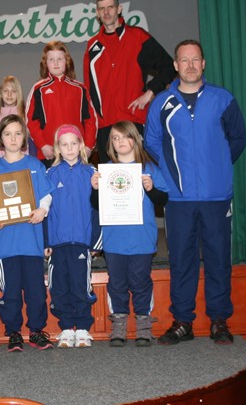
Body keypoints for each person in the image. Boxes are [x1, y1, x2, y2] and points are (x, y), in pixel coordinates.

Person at [145, 39, 246, 345]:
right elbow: (151, 141)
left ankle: (219, 320)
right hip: (179, 199)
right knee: (181, 260)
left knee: (218, 259)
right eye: (184, 60)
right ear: (175, 65)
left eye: (195, 60)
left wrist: (217, 164)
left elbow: (238, 138)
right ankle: (183, 321)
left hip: (217, 197)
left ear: (203, 64)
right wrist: (173, 171)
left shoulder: (222, 99)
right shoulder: (162, 102)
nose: (190, 65)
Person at [91, 121, 168, 347]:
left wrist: (151, 188)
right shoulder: (106, 170)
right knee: (116, 283)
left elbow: (163, 200)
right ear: (110, 144)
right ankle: (119, 325)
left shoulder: (149, 168)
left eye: (125, 137)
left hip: (141, 239)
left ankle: (144, 325)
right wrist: (95, 189)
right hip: (114, 240)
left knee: (141, 282)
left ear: (136, 139)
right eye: (115, 138)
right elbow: (96, 205)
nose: (120, 142)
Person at [0, 114, 55, 352]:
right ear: (0, 138)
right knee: (11, 292)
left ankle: (36, 330)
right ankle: (13, 332)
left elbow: (46, 195)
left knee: (36, 291)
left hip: (31, 242)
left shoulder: (34, 165)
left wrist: (42, 210)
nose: (13, 138)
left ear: (24, 137)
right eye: (8, 134)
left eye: (17, 133)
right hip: (6, 244)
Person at [84, 0, 176, 162]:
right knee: (110, 178)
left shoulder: (138, 36)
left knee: (138, 175)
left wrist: (150, 92)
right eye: (102, 8)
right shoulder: (93, 45)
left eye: (110, 7)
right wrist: (94, 124)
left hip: (132, 121)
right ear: (97, 13)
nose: (106, 12)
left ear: (119, 9)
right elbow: (89, 89)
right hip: (105, 126)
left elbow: (169, 66)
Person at [45, 125, 99, 348]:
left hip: (81, 241)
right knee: (59, 286)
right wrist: (46, 241)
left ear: (81, 145)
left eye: (73, 143)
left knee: (80, 285)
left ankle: (83, 327)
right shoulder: (50, 174)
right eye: (64, 144)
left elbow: (98, 209)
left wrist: (95, 242)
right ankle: (66, 327)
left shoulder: (91, 173)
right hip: (58, 243)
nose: (69, 148)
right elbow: (44, 209)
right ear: (57, 147)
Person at [27, 41, 97, 165]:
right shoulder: (38, 89)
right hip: (49, 153)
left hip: (76, 152)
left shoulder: (80, 89)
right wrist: (43, 145)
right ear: (45, 63)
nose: (56, 63)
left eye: (60, 59)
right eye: (51, 60)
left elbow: (91, 120)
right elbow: (30, 122)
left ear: (67, 61)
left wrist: (88, 146)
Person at [0, 75, 27, 161]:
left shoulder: (25, 114)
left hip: (20, 161)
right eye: (6, 91)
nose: (9, 94)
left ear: (18, 93)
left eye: (13, 91)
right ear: (1, 93)